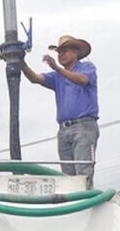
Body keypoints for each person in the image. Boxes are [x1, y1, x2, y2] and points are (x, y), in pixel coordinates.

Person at [21, 35, 98, 177]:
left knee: (83, 174)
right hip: (64, 130)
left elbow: (82, 80)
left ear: (76, 53)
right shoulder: (58, 76)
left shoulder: (87, 67)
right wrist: (21, 62)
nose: (60, 54)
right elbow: (35, 78)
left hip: (83, 126)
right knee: (68, 178)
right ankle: (75, 198)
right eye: (59, 52)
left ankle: (85, 196)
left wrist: (56, 67)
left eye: (65, 50)